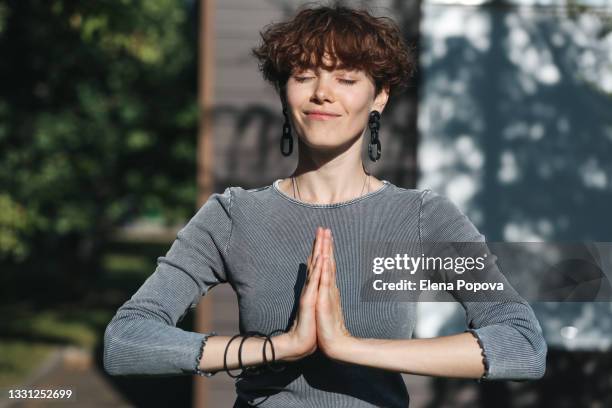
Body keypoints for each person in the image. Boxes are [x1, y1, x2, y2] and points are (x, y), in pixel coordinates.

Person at [103, 4, 547, 407]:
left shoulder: (423, 219)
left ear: (380, 96)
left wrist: (348, 347)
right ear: (283, 92)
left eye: (347, 79)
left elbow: (522, 345)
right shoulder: (232, 217)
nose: (322, 93)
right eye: (303, 76)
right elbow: (126, 341)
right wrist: (280, 346)